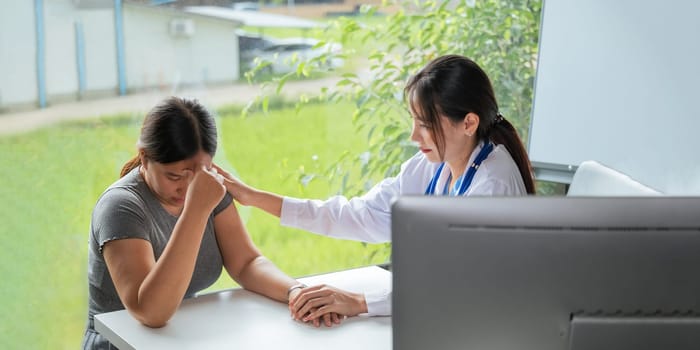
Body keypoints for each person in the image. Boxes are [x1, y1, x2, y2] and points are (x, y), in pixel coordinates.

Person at [215, 54, 536, 322]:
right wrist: (256, 198)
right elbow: (363, 214)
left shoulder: (493, 186)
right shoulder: (435, 163)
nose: (414, 136)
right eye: (414, 121)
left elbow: (459, 286)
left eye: (425, 125)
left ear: (469, 123)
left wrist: (359, 302)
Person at [82, 97, 340, 350]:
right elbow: (151, 312)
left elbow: (246, 263)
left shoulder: (208, 186)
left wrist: (294, 292)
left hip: (178, 338)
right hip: (119, 344)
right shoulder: (121, 207)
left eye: (198, 172)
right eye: (174, 176)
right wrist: (196, 209)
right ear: (145, 157)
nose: (188, 186)